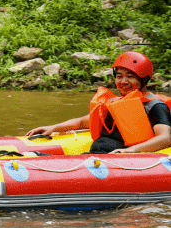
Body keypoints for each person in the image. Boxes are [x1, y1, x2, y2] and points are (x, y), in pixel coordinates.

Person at [27, 51, 171, 154]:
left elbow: (165, 137)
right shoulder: (116, 103)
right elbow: (81, 122)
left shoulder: (155, 105)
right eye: (119, 76)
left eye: (130, 77)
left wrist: (131, 151)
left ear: (144, 79)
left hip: (119, 162)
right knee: (34, 156)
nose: (123, 82)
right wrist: (53, 128)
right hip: (97, 156)